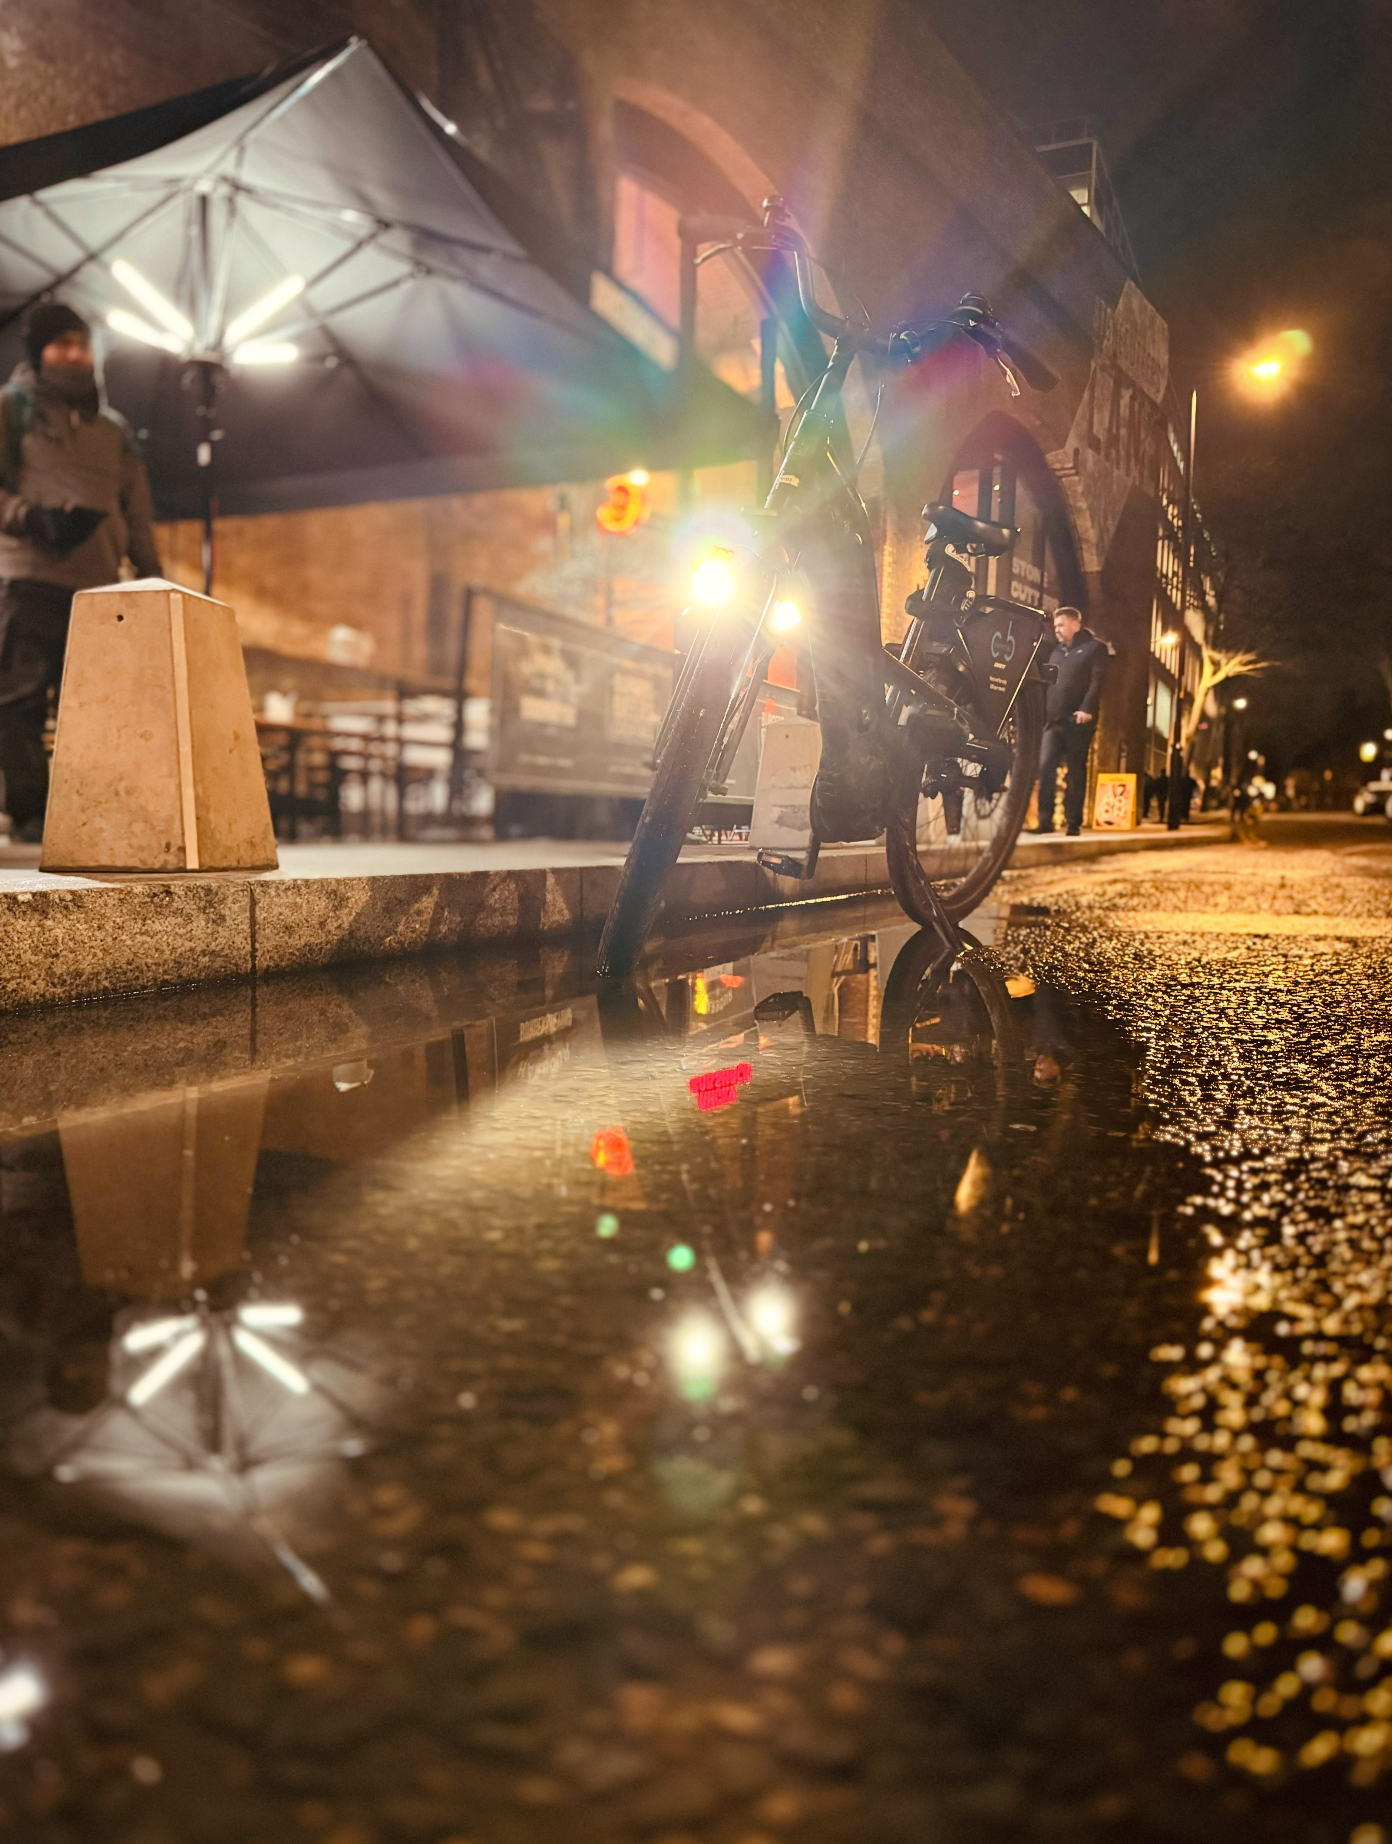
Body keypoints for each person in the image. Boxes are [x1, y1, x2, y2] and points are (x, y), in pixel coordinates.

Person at [0, 303, 162, 842]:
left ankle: (89, 815)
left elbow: (136, 511)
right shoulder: (11, 407)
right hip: (26, 576)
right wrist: (30, 518)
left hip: (100, 589)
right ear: (39, 351)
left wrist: (153, 580)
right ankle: (31, 817)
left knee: (98, 709)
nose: (75, 354)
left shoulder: (114, 430)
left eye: (82, 344)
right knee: (20, 700)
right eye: (61, 343)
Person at [1032, 604, 1106, 836]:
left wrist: (1086, 709)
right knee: (1046, 768)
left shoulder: (1095, 649)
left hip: (1078, 721)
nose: (1057, 629)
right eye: (1055, 626)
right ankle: (1045, 821)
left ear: (1076, 624)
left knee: (1075, 771)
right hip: (1053, 721)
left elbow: (1097, 682)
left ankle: (1073, 822)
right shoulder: (1055, 653)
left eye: (1062, 624)